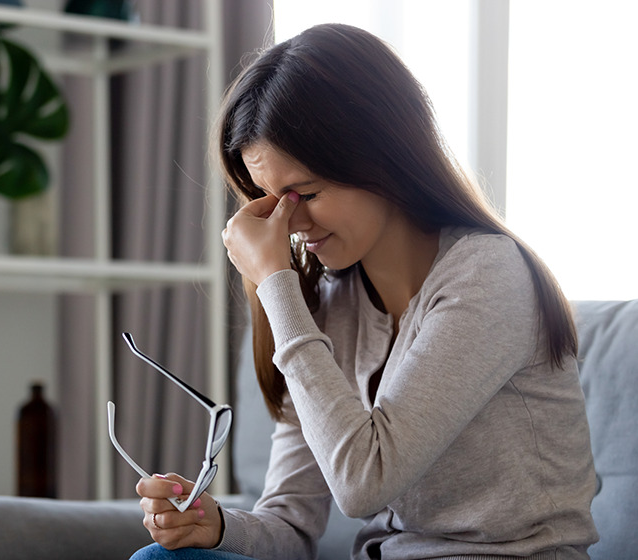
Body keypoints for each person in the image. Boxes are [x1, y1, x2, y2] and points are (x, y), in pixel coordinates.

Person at [129, 23, 598, 560]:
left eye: (303, 192)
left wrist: (277, 284)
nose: (288, 223)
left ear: (382, 157)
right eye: (267, 198)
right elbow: (289, 524)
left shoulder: (487, 275)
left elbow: (362, 483)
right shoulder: (332, 305)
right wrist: (213, 527)